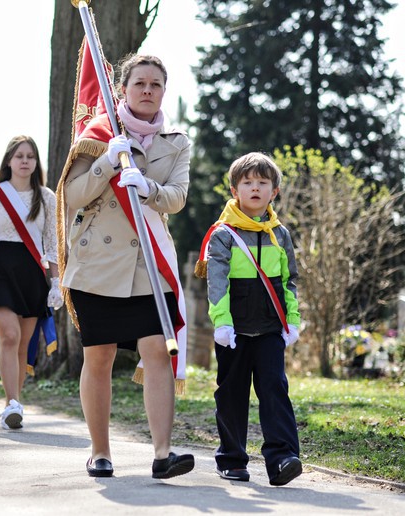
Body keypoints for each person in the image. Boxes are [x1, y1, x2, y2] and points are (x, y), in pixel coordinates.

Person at [56, 54, 194, 479]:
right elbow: (73, 195)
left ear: (163, 92)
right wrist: (107, 163)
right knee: (100, 355)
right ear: (123, 89)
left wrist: (147, 187)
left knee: (156, 350)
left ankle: (163, 453)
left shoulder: (177, 141)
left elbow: (178, 197)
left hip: (148, 263)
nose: (148, 91)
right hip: (98, 262)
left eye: (156, 84)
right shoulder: (98, 135)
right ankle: (100, 452)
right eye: (140, 84)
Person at [196, 152, 302, 486]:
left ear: (274, 192)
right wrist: (222, 323)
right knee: (232, 392)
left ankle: (282, 457)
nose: (255, 188)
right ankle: (231, 458)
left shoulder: (280, 234)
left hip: (271, 329)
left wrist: (292, 321)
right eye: (247, 182)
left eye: (262, 182)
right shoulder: (223, 235)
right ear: (234, 188)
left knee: (274, 389)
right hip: (235, 331)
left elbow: (289, 281)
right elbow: (216, 283)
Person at [0, 135, 62, 430]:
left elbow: (51, 243)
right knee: (9, 335)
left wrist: (56, 283)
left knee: (23, 343)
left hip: (32, 271)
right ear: (9, 161)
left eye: (30, 156)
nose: (25, 161)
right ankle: (10, 402)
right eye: (19, 156)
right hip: (0, 270)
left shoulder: (47, 197)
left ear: (36, 163)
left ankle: (17, 402)